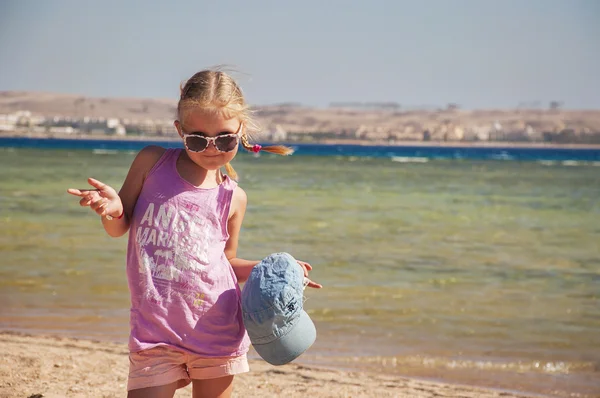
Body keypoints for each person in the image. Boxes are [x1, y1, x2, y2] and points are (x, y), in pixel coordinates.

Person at [67, 69, 322, 398]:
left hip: (216, 331)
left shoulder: (234, 197)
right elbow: (120, 228)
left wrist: (277, 270)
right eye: (198, 139)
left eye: (226, 139)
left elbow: (227, 262)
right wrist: (113, 210)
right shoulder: (151, 163)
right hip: (154, 331)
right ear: (180, 131)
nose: (212, 148)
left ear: (241, 131)